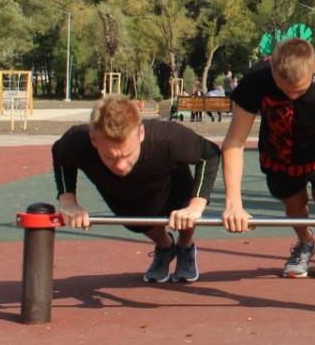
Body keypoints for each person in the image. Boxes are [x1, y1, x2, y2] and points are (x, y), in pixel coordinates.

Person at [222, 38, 315, 279]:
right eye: (285, 90)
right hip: (280, 156)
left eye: (300, 90)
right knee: (294, 205)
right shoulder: (256, 79)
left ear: (314, 68)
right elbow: (234, 142)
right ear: (272, 70)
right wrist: (233, 203)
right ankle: (305, 241)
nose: (292, 97)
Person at [51, 94, 221, 284]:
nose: (121, 166)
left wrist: (196, 205)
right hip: (122, 194)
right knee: (136, 223)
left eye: (127, 154)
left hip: (170, 185)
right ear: (93, 139)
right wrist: (68, 202)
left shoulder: (167, 137)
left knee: (185, 211)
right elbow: (60, 155)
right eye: (110, 157)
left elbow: (210, 154)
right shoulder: (76, 140)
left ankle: (185, 246)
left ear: (140, 134)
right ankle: (165, 246)